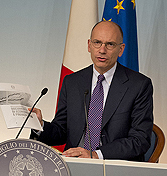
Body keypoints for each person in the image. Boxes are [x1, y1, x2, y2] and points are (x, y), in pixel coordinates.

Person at [31, 21, 153, 161]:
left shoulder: (139, 85)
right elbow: (61, 131)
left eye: (110, 44)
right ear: (89, 45)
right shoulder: (72, 82)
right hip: (74, 165)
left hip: (115, 168)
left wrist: (96, 154)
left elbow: (140, 140)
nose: (102, 50)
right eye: (97, 42)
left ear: (121, 50)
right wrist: (39, 124)